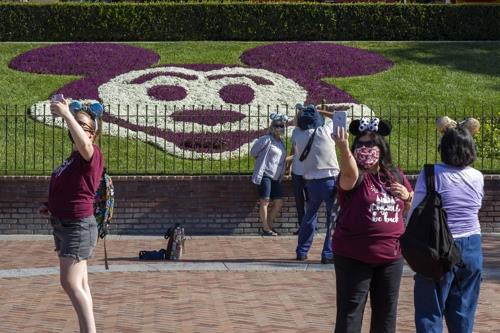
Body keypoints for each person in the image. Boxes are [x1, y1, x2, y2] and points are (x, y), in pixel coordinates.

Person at [331, 117, 414, 333]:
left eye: (371, 144)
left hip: (391, 257)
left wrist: (408, 197)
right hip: (354, 256)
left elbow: (409, 204)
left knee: (386, 314)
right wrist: (343, 148)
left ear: (381, 147)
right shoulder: (354, 176)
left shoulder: (394, 175)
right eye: (361, 144)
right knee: (350, 313)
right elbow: (349, 172)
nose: (366, 149)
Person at [409, 117, 483, 333]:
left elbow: (416, 211)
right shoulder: (478, 176)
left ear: (443, 148)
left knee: (430, 311)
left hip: (438, 245)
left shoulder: (431, 173)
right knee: (463, 311)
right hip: (472, 245)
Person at [39, 98, 104, 333]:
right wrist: (51, 205)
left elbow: (85, 146)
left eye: (84, 125)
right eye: (76, 124)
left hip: (78, 225)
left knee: (70, 282)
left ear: (92, 134)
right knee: (81, 283)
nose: (78, 127)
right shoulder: (72, 159)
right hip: (62, 223)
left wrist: (67, 115)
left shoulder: (91, 153)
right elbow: (72, 188)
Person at [293, 104, 339, 264]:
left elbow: (295, 123)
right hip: (330, 180)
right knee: (332, 218)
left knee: (309, 216)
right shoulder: (325, 130)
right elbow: (338, 116)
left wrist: (301, 113)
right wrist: (321, 111)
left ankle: (302, 251)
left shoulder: (297, 134)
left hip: (310, 182)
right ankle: (328, 253)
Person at [250, 113, 288, 236]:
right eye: (277, 126)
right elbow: (253, 152)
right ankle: (266, 228)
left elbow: (282, 159)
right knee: (265, 201)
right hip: (265, 174)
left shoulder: (281, 143)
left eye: (282, 126)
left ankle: (269, 225)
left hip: (276, 177)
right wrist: (261, 160)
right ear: (272, 127)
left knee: (278, 202)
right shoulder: (266, 139)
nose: (280, 128)